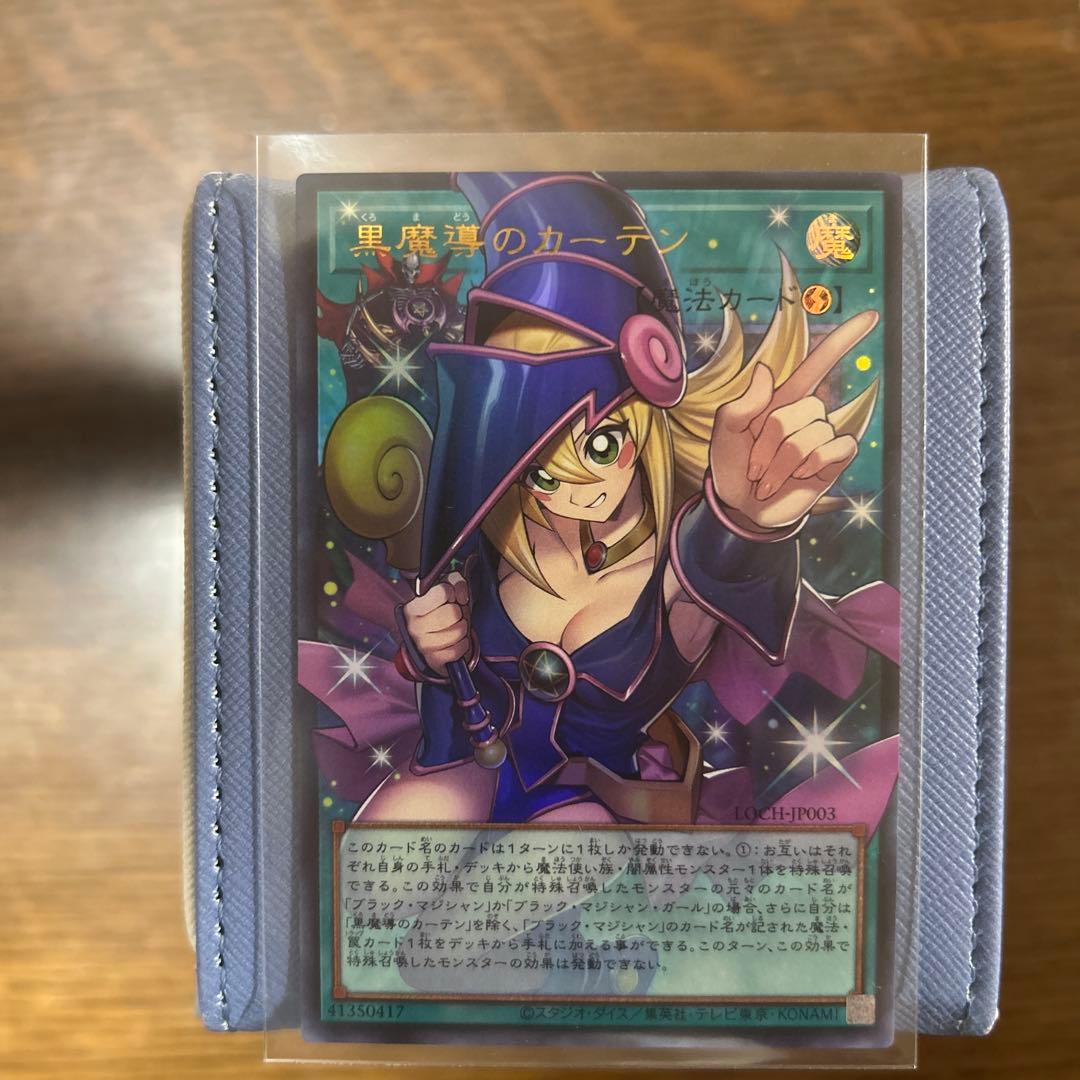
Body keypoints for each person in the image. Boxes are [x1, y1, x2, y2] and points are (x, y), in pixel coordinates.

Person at [301, 172, 899, 832]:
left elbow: (716, 565)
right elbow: (443, 664)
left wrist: (744, 519)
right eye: (538, 467)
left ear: (646, 411)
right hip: (467, 766)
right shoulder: (491, 538)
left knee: (558, 843)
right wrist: (429, 648)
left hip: (598, 803)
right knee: (383, 858)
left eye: (602, 443)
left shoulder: (677, 572)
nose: (574, 486)